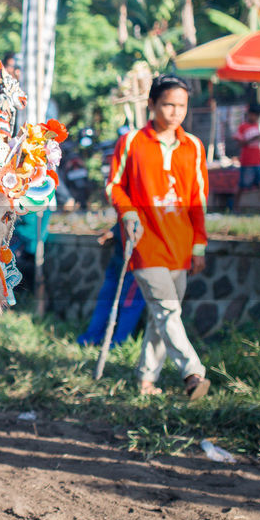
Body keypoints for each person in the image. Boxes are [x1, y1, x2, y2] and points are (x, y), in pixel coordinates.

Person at [106, 74, 211, 401]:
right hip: (144, 242)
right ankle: (193, 372)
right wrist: (129, 211)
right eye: (168, 104)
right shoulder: (132, 141)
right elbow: (114, 185)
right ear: (151, 104)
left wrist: (199, 245)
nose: (175, 111)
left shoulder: (193, 146)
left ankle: (145, 380)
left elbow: (198, 199)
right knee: (167, 311)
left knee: (162, 315)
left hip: (180, 243)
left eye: (181, 105)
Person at [76, 223, 145, 347]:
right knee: (110, 300)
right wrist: (114, 231)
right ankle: (96, 338)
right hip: (121, 259)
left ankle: (118, 343)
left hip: (136, 262)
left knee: (128, 304)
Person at [234, 103, 260, 211]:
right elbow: (239, 144)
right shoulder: (243, 127)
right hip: (247, 162)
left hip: (258, 161)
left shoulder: (256, 126)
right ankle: (235, 207)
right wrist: (254, 138)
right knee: (242, 186)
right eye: (254, 115)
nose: (255, 118)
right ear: (249, 114)